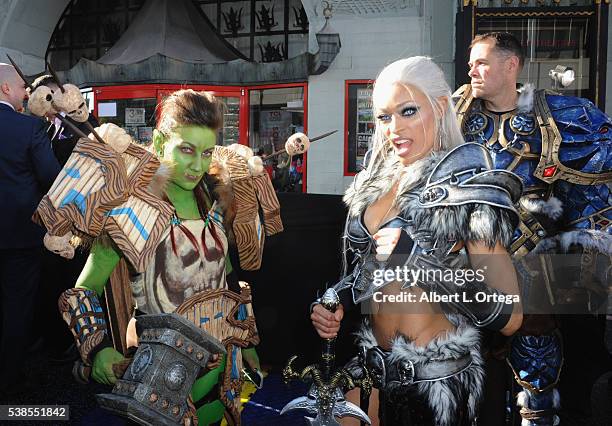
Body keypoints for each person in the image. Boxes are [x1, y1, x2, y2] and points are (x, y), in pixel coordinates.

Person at [310, 57, 523, 426]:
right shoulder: (371, 184)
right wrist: (338, 300)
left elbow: (510, 317)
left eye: (408, 111)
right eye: (384, 116)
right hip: (370, 368)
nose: (395, 128)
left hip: (435, 384)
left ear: (440, 107)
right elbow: (366, 269)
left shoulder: (468, 187)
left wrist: (421, 266)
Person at [58, 89, 260, 424]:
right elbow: (83, 290)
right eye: (186, 150)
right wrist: (97, 349)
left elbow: (226, 277)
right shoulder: (131, 209)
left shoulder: (214, 198)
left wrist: (247, 339)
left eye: (207, 152)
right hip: (159, 387)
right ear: (160, 142)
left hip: (222, 377)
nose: (198, 165)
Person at [456, 32, 611, 425]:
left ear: (511, 66)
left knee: (537, 387)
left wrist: (588, 263)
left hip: (533, 272)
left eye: (481, 62)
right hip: (465, 269)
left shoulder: (554, 119)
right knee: (461, 382)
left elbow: (590, 204)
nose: (471, 69)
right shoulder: (454, 114)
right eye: (471, 62)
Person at [29, 74, 99, 364]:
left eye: (46, 93)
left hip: (77, 219)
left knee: (74, 281)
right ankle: (54, 339)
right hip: (49, 221)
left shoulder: (83, 123)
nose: (41, 99)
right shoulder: (44, 128)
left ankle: (81, 340)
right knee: (51, 280)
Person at [0, 63, 61, 395]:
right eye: (23, 87)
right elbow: (52, 178)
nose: (27, 92)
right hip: (20, 234)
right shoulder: (28, 129)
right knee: (17, 307)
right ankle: (10, 380)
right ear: (6, 89)